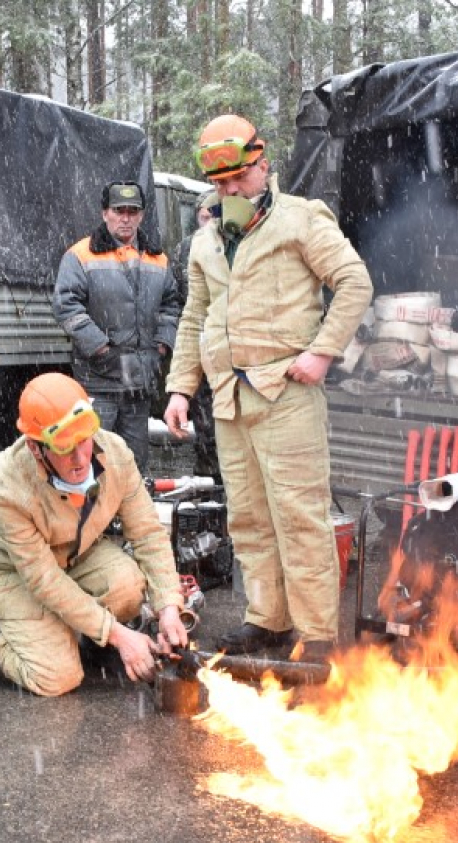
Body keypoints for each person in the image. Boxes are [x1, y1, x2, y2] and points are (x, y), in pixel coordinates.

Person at [163, 114, 372, 663]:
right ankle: (268, 619)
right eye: (222, 182)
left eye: (241, 177)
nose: (233, 189)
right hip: (229, 399)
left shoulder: (301, 219)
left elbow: (354, 281)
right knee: (249, 520)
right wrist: (181, 388)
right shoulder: (206, 241)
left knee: (300, 517)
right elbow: (195, 316)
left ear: (263, 162)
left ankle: (318, 634)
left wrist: (322, 352)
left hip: (287, 394)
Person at [0, 372, 188, 697]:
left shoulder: (116, 453)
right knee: (58, 678)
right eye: (64, 447)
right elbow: (45, 580)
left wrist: (168, 607)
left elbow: (148, 533)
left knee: (128, 588)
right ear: (35, 448)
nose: (80, 458)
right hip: (10, 570)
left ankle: (92, 644)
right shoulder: (7, 486)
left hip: (75, 551)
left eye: (84, 440)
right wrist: (120, 635)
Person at [52, 181, 182, 474]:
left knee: (132, 465)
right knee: (91, 460)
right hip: (98, 381)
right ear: (105, 213)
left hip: (139, 384)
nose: (126, 218)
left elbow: (171, 304)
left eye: (132, 211)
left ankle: (129, 504)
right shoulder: (80, 255)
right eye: (118, 210)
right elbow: (66, 305)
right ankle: (92, 505)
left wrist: (163, 343)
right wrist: (100, 348)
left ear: (142, 215)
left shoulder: (157, 258)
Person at [168, 192, 220, 479]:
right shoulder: (186, 249)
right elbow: (177, 300)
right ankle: (208, 478)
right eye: (204, 216)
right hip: (200, 351)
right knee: (205, 425)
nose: (209, 222)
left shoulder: (235, 243)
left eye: (214, 216)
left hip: (230, 353)